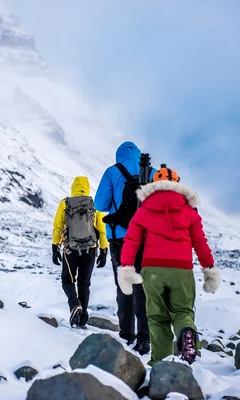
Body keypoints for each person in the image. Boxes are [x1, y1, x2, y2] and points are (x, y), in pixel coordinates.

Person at [117, 165, 220, 365]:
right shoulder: (189, 211)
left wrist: (127, 268)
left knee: (157, 318)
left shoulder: (144, 209)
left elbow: (131, 241)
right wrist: (208, 269)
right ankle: (186, 333)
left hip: (152, 271)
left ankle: (160, 363)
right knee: (183, 312)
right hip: (181, 270)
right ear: (177, 184)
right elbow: (200, 242)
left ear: (154, 184)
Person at [94, 141, 154, 355]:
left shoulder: (113, 171)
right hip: (148, 239)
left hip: (120, 239)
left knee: (124, 285)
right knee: (143, 288)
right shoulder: (153, 172)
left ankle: (127, 335)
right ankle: (146, 338)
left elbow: (100, 204)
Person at [52, 176, 109, 328]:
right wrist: (104, 251)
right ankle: (82, 318)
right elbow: (102, 230)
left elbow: (58, 227)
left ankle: (74, 305)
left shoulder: (65, 204)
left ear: (73, 187)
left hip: (71, 250)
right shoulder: (94, 204)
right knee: (84, 284)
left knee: (67, 281)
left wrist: (55, 248)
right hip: (90, 250)